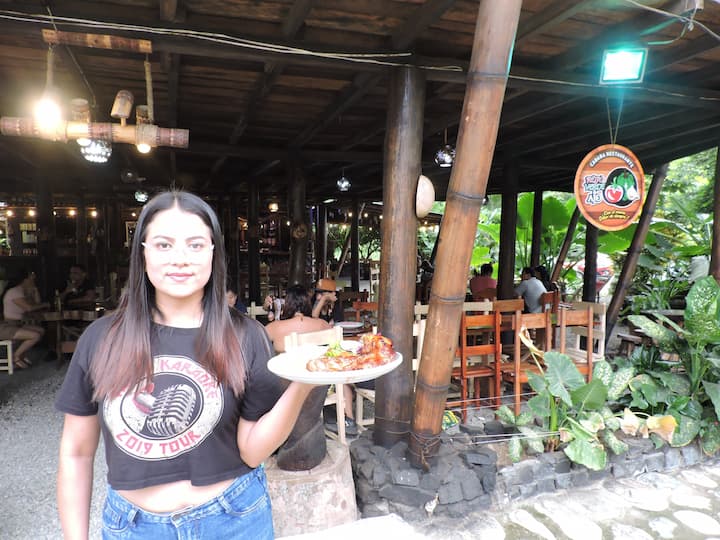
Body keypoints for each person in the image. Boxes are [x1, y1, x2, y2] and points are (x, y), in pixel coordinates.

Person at [55, 190, 316, 539]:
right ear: (142, 252)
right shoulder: (102, 339)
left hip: (233, 520)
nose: (180, 258)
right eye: (163, 245)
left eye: (195, 245)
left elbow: (253, 452)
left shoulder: (247, 336)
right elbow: (75, 454)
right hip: (132, 528)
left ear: (213, 253)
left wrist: (305, 382)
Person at [0, 268, 48, 369]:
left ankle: (21, 355)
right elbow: (29, 308)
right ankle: (16, 357)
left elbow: (36, 303)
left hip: (17, 324)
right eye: (31, 278)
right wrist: (45, 304)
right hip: (6, 327)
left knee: (41, 330)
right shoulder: (14, 291)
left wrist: (35, 290)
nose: (33, 280)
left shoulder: (23, 291)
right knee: (35, 336)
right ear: (25, 280)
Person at [264, 284, 331, 353]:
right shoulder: (322, 324)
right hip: (313, 363)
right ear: (308, 303)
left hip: (286, 363)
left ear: (287, 303)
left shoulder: (274, 327)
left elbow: (257, 342)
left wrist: (269, 310)